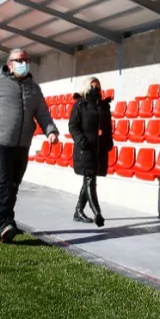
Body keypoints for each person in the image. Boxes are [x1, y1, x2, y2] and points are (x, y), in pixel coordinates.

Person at [0, 48, 59, 243]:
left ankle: (7, 220)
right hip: (0, 142)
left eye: (26, 60)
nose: (24, 63)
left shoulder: (34, 89)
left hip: (22, 144)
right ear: (9, 64)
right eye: (19, 60)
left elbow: (43, 114)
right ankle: (2, 226)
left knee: (13, 185)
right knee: (3, 183)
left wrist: (51, 131)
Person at [68, 77, 113, 227]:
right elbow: (73, 126)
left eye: (98, 86)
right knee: (90, 180)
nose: (95, 88)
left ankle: (78, 211)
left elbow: (108, 128)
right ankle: (97, 212)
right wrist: (81, 141)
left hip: (99, 149)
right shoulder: (80, 104)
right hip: (85, 148)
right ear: (87, 87)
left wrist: (108, 142)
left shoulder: (103, 106)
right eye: (92, 86)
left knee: (90, 179)